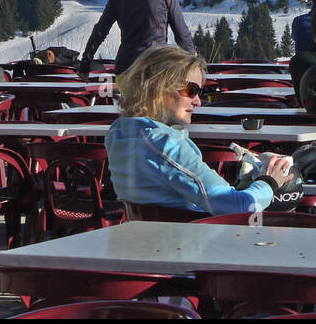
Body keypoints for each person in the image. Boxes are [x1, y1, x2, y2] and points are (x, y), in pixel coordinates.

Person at [106, 44, 296, 214]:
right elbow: (237, 206)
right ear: (159, 87)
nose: (198, 101)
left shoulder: (119, 131)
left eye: (200, 92)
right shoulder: (165, 144)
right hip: (190, 244)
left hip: (142, 240)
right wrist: (269, 182)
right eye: (192, 90)